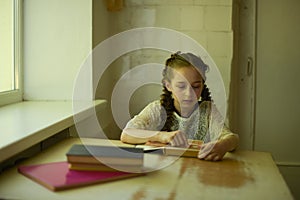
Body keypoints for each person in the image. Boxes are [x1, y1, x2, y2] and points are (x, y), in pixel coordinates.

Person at [121, 52, 239, 161]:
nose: (189, 94)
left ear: (202, 85)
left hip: (198, 172)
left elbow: (232, 138)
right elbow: (127, 134)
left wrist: (223, 145)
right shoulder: (157, 109)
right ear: (168, 85)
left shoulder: (207, 110)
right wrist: (162, 136)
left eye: (196, 86)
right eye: (181, 87)